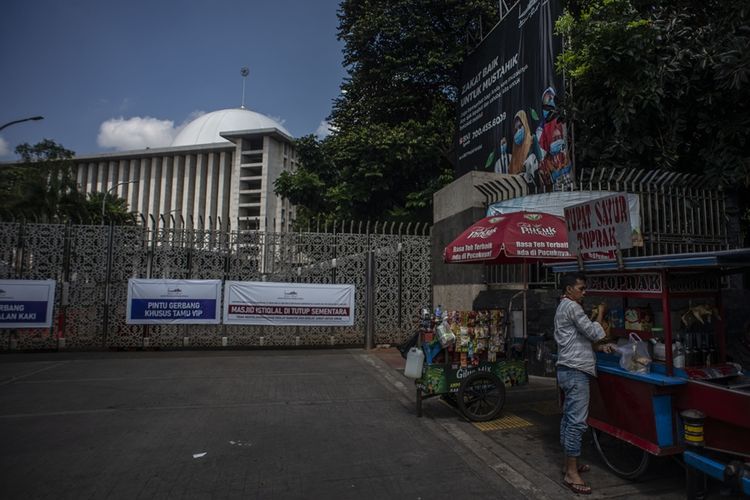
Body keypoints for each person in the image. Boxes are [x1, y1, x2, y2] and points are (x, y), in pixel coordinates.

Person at [554, 272, 616, 495]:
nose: (584, 292)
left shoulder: (564, 307)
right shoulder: (572, 307)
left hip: (568, 369)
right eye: (581, 288)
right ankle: (571, 473)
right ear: (569, 289)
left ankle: (568, 463)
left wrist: (599, 348)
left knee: (569, 417)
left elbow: (579, 339)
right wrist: (600, 313)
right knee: (577, 422)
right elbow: (593, 332)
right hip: (575, 371)